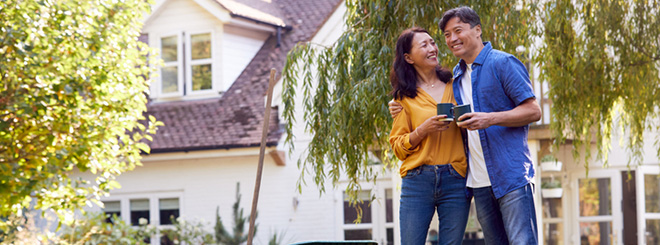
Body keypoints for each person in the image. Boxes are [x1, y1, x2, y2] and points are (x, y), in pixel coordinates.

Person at [389, 7, 542, 244]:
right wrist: (410, 118)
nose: (448, 41)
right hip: (469, 181)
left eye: (457, 31)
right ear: (408, 58)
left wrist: (489, 119)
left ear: (478, 30)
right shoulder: (455, 78)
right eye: (447, 35)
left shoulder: (489, 68)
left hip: (496, 176)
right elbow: (400, 142)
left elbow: (533, 110)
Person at [388, 27, 470, 245]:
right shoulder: (403, 97)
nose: (433, 48)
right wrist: (422, 130)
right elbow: (398, 148)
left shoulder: (456, 84)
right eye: (423, 45)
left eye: (433, 42)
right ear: (408, 57)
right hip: (417, 180)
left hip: (455, 177)